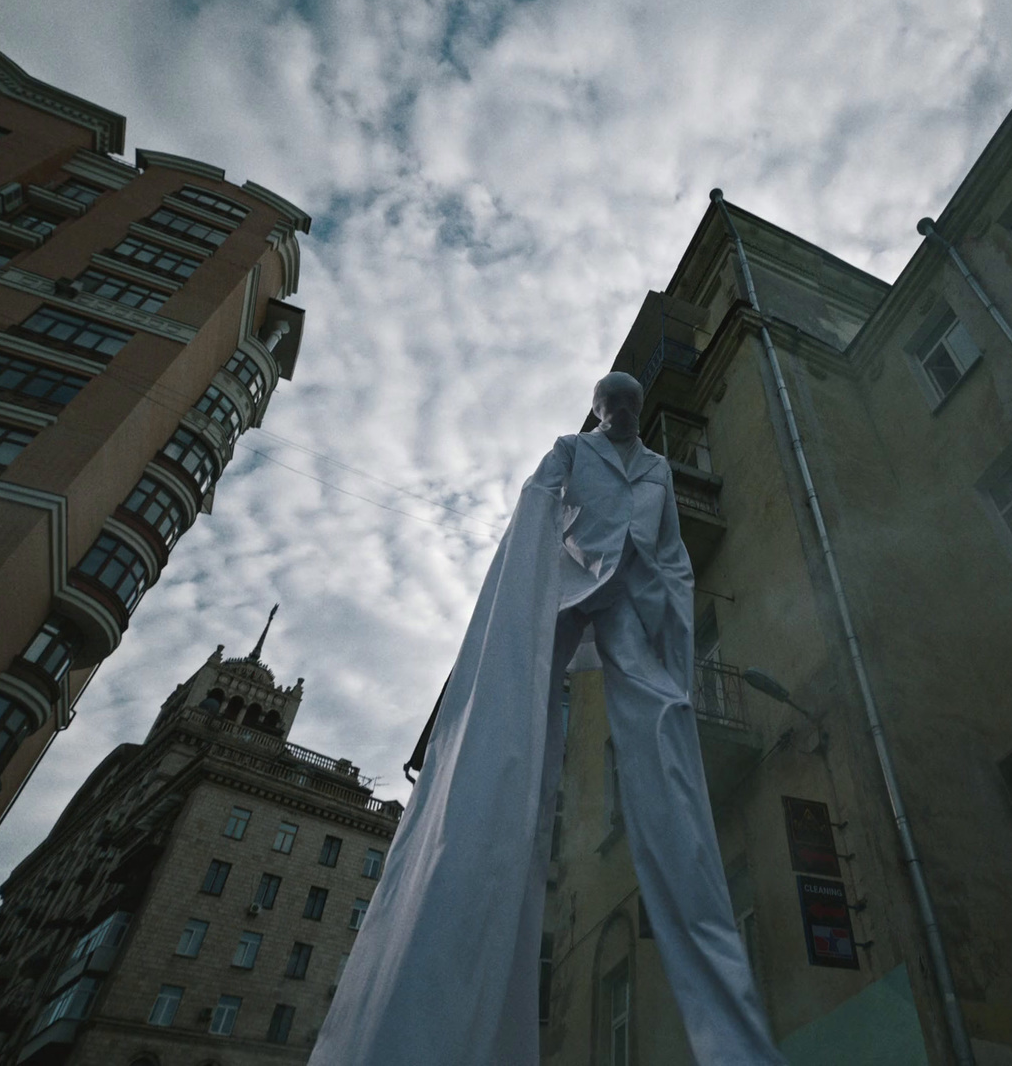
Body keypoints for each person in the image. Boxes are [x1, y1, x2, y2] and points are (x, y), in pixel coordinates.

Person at [310, 372, 786, 1066]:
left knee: (662, 735)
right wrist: (527, 589)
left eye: (631, 402)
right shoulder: (570, 448)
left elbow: (676, 554)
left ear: (640, 409)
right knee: (511, 735)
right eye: (611, 403)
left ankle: (732, 1036)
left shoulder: (657, 468)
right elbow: (537, 503)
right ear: (597, 410)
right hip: (566, 584)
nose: (622, 411)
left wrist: (675, 637)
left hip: (632, 597)